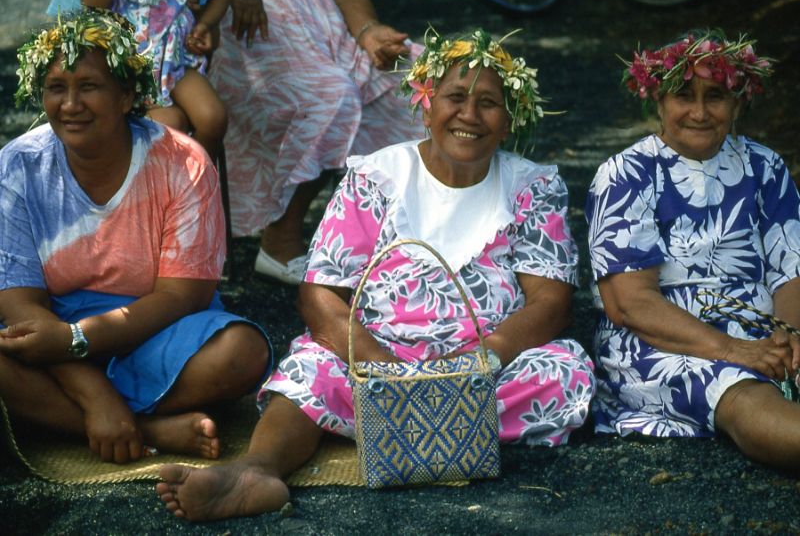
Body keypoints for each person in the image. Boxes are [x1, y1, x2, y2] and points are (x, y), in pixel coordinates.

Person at [156, 27, 596, 521]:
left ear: (510, 118)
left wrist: (478, 363)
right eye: (454, 96)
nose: (469, 115)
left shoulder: (532, 187)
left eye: (489, 103)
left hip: (485, 371)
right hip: (375, 362)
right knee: (311, 367)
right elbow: (320, 294)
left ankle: (396, 427)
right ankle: (256, 470)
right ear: (426, 102)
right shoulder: (377, 177)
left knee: (563, 370)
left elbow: (549, 304)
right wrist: (387, 369)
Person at [0, 8, 271, 464]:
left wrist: (75, 341)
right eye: (56, 88)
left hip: (156, 327)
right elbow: (18, 307)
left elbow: (182, 296)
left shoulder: (181, 162)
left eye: (88, 87)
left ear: (127, 96)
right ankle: (147, 428)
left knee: (242, 353)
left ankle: (73, 415)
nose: (70, 105)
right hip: (49, 332)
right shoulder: (18, 166)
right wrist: (92, 389)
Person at [585, 29, 800, 470]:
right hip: (663, 343)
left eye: (715, 95)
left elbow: (790, 268)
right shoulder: (625, 175)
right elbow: (631, 304)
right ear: (658, 102)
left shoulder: (764, 166)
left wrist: (789, 337)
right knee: (742, 391)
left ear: (736, 102)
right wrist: (734, 351)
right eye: (683, 95)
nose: (700, 112)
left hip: (759, 333)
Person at [207, 0, 427, 284]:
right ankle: (280, 240)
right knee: (332, 99)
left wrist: (368, 29)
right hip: (247, 33)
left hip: (321, 30)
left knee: (425, 78)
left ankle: (396, 235)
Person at [81, 0, 230, 162]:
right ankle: (151, 183)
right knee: (165, 126)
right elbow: (90, 4)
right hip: (131, 66)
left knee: (213, 119)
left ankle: (194, 183)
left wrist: (205, 23)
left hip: (176, 60)